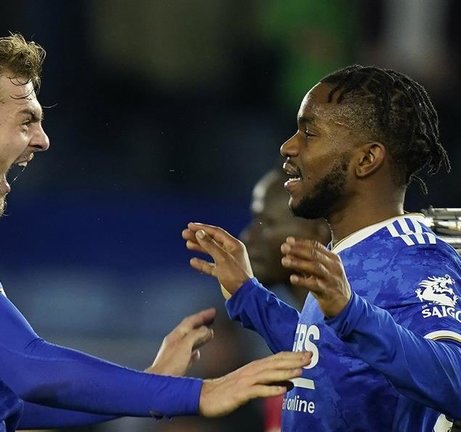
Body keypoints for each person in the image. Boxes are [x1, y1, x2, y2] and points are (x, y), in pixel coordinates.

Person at [0, 30, 310, 432]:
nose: (41, 139)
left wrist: (149, 386)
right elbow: (31, 370)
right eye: (25, 120)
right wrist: (203, 391)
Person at [183, 64, 461, 430]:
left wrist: (351, 314)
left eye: (309, 133)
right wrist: (248, 295)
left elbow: (455, 382)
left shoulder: (416, 258)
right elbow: (330, 361)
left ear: (366, 159)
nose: (289, 146)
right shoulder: (348, 254)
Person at [238, 166, 330, 432]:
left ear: (318, 232)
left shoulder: (350, 343)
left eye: (267, 222)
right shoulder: (291, 342)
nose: (247, 237)